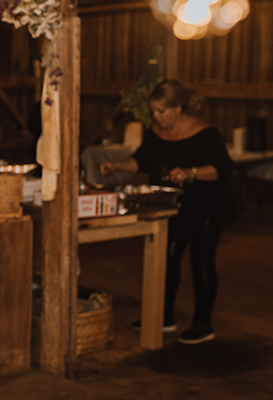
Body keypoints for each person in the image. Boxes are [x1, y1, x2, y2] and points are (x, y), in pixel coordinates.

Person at [100, 80, 233, 345]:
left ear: (178, 108)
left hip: (206, 202)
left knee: (201, 259)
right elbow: (142, 160)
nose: (156, 117)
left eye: (161, 111)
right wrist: (116, 164)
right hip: (171, 203)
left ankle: (203, 324)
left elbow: (221, 169)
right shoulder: (156, 132)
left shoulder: (205, 134)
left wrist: (190, 172)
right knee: (167, 256)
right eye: (154, 111)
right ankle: (164, 316)